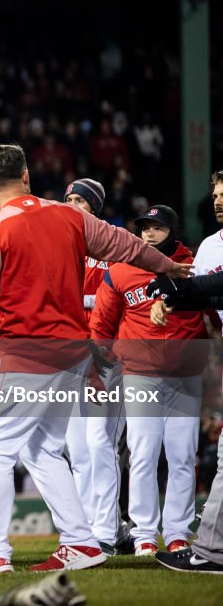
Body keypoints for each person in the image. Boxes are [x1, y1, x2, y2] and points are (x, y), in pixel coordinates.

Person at [0, 144, 187, 574]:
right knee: (43, 450)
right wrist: (167, 265)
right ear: (25, 175)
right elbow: (126, 245)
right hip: (73, 354)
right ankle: (81, 542)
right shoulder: (69, 215)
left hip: (26, 354)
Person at [89, 205, 204, 557]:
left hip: (187, 375)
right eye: (145, 228)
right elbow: (101, 326)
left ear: (173, 231)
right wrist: (95, 370)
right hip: (139, 374)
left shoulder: (194, 266)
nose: (149, 234)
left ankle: (178, 533)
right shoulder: (121, 270)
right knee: (142, 454)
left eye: (157, 228)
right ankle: (143, 535)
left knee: (183, 455)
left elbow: (215, 311)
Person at [148, 171, 223, 573]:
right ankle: (212, 549)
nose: (218, 201)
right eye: (215, 195)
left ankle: (210, 550)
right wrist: (172, 302)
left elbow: (210, 285)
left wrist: (178, 290)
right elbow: (205, 292)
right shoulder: (210, 247)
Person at [63, 178, 132, 555]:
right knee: (77, 449)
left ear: (96, 207)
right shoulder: (58, 244)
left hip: (107, 356)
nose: (74, 205)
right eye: (69, 199)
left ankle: (105, 528)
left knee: (99, 442)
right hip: (70, 355)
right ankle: (91, 527)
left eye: (82, 201)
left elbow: (121, 295)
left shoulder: (114, 241)